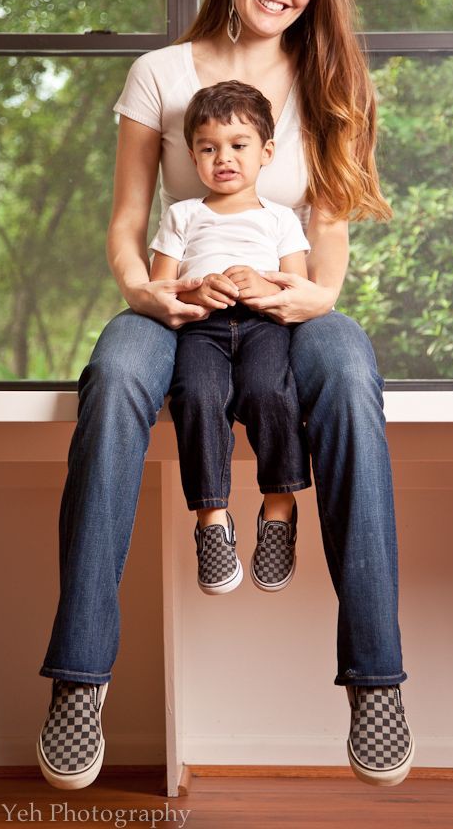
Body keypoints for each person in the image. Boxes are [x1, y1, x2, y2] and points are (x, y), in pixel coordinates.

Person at [37, 0, 414, 792]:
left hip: (289, 305)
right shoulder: (160, 75)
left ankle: (377, 680)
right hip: (176, 305)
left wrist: (304, 295)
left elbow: (328, 240)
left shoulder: (330, 86)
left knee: (352, 377)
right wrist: (146, 292)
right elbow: (130, 220)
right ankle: (78, 677)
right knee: (116, 376)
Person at [149, 79, 312, 596]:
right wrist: (196, 290)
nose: (224, 158)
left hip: (265, 325)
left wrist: (262, 283)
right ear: (193, 156)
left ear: (265, 152)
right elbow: (161, 285)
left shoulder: (280, 220)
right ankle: (211, 520)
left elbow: (298, 286)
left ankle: (279, 510)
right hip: (202, 330)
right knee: (196, 397)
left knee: (271, 393)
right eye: (208, 148)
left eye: (238, 145)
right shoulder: (182, 215)